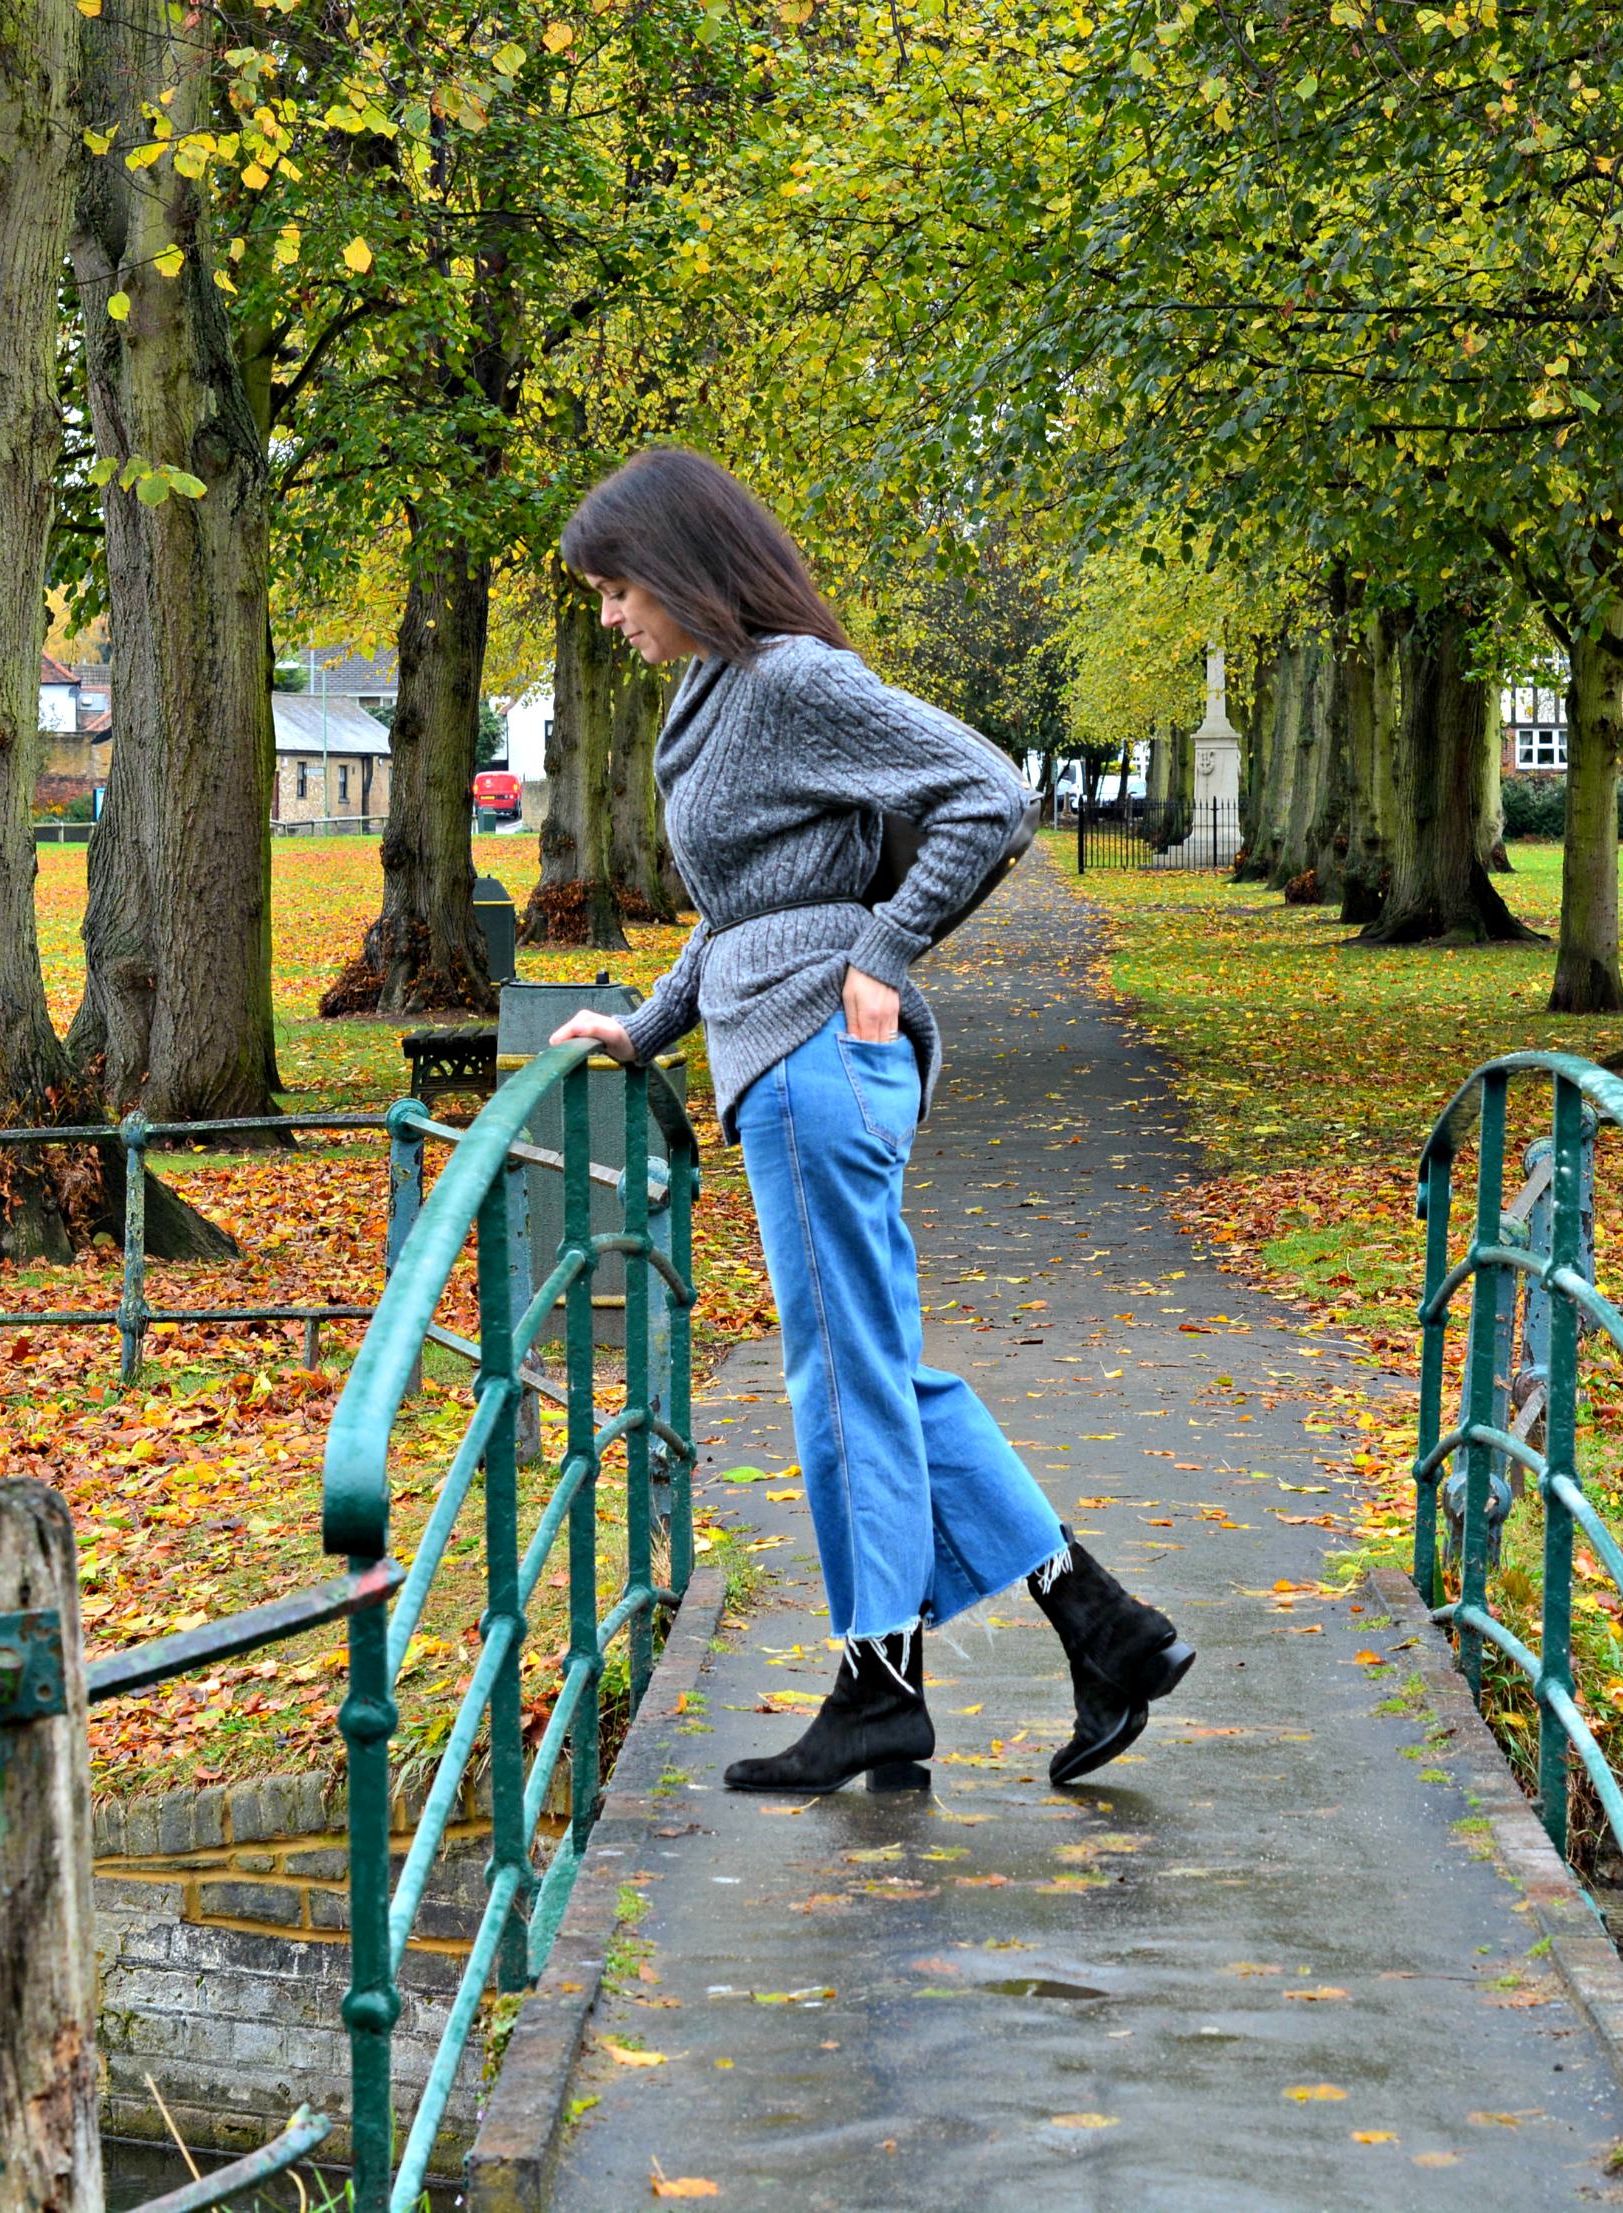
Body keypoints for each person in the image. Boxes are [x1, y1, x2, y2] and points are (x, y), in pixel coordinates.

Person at [548, 447, 1195, 1793]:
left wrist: (887, 953)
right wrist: (647, 1025)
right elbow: (745, 908)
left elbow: (988, 795)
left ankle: (879, 1684)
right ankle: (1100, 1623)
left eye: (618, 589)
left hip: (814, 1061)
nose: (612, 618)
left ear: (677, 566)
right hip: (784, 1050)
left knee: (841, 1376)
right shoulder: (718, 692)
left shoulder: (791, 679)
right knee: (875, 1370)